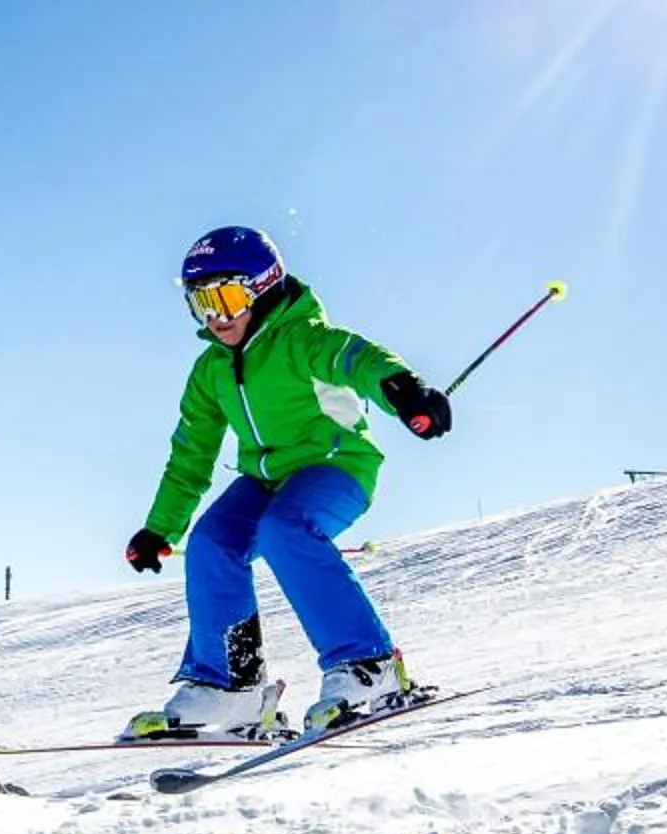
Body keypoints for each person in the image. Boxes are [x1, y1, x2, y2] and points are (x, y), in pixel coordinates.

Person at [123, 226, 453, 738]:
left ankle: (368, 664)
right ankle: (229, 687)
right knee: (211, 543)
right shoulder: (210, 370)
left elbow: (357, 359)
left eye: (226, 298)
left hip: (335, 465)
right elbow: (191, 454)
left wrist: (405, 390)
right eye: (200, 304)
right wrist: (159, 529)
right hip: (266, 477)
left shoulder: (303, 338)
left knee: (284, 528)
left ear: (262, 287)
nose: (216, 317)